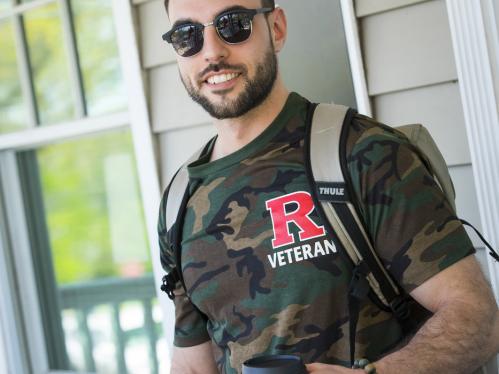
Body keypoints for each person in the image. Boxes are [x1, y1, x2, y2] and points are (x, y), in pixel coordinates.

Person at [157, 0, 499, 373]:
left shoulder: (363, 153)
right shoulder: (180, 203)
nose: (212, 52)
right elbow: (193, 365)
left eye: (233, 24)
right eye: (187, 36)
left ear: (276, 29)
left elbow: (479, 319)